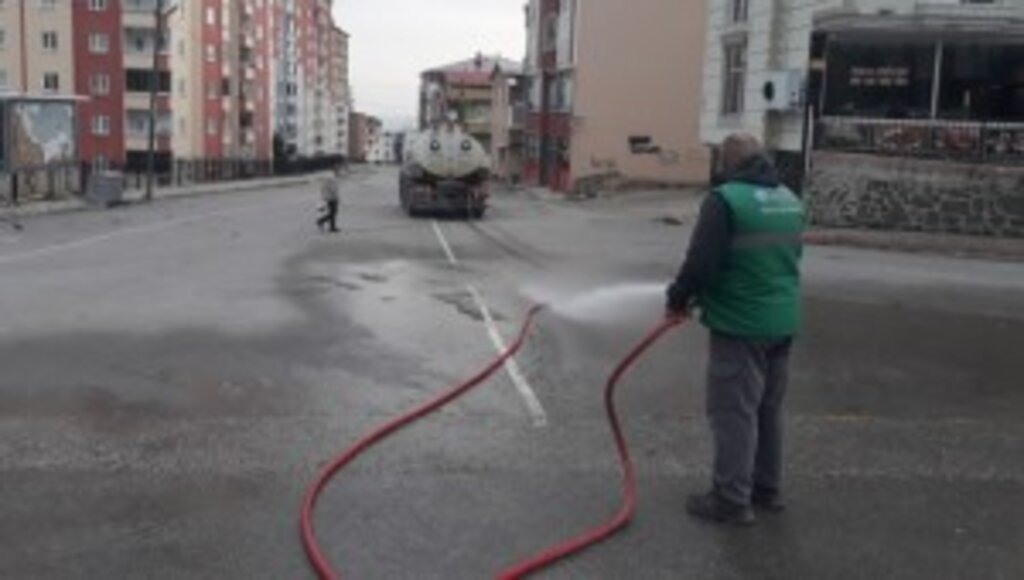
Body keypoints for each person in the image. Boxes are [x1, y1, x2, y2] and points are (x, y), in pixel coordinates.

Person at [666, 133, 805, 526]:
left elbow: (701, 264)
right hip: (783, 322)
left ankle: (730, 499)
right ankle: (766, 490)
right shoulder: (790, 200)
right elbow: (785, 260)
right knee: (768, 409)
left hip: (742, 325)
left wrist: (678, 299)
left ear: (727, 165)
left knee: (734, 412)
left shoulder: (725, 199)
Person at [317, 167, 342, 233]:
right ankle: (321, 221)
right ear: (335, 171)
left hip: (329, 197)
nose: (339, 173)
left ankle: (332, 227)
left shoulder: (329, 177)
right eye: (338, 171)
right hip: (332, 197)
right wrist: (336, 197)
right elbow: (333, 189)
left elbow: (324, 188)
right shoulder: (332, 178)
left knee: (332, 212)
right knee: (333, 212)